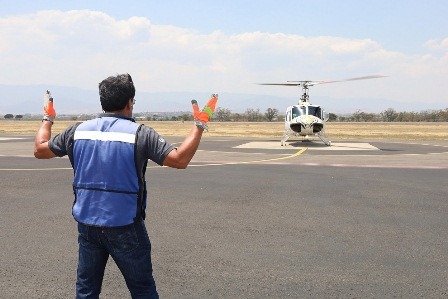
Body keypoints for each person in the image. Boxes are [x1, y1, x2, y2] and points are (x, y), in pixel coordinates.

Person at [34, 73, 218, 298]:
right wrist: (199, 124)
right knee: (142, 289)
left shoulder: (77, 131)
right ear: (129, 102)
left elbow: (40, 149)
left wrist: (47, 118)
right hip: (126, 226)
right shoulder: (140, 133)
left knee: (86, 290)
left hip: (88, 225)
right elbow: (179, 159)